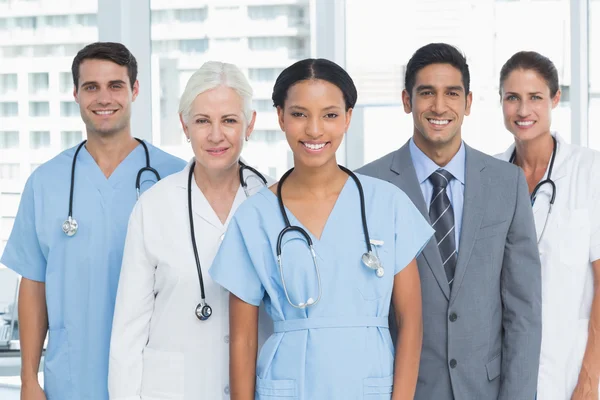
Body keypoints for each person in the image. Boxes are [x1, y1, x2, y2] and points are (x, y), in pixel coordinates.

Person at [208, 58, 433, 400]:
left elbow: (410, 322)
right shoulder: (255, 217)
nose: (314, 130)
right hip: (288, 387)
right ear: (281, 117)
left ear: (348, 118)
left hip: (369, 387)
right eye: (299, 114)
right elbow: (243, 339)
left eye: (329, 114)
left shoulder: (387, 204)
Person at [0, 42, 186, 400]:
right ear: (76, 94)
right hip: (73, 377)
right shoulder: (46, 182)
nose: (104, 98)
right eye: (91, 87)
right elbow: (33, 284)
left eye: (115, 85)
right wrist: (28, 380)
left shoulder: (174, 177)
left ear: (134, 90)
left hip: (155, 376)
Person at [357, 43, 542, 400]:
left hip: (485, 389)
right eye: (426, 93)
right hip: (403, 389)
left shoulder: (507, 183)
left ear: (468, 103)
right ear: (406, 100)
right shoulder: (369, 185)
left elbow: (524, 308)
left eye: (451, 94)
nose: (439, 107)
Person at [108, 61, 274, 399]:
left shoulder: (274, 202)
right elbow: (129, 331)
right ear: (184, 125)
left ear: (250, 124)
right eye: (202, 121)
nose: (216, 135)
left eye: (229, 120)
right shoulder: (153, 207)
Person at [495, 51, 600, 400]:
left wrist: (589, 377)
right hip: (506, 371)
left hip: (572, 369)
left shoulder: (590, 171)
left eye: (535, 97)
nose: (523, 111)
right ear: (501, 102)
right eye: (513, 98)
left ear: (555, 99)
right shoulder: (489, 175)